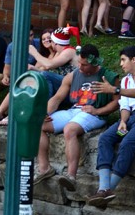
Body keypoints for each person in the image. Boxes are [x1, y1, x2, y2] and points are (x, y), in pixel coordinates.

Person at [33, 44, 120, 190]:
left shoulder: (108, 77)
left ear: (95, 63)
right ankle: (44, 168)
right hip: (74, 110)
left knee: (70, 129)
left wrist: (98, 111)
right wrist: (45, 113)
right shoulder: (72, 76)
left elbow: (117, 102)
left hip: (94, 113)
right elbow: (57, 98)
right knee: (38, 125)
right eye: (79, 62)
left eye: (84, 64)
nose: (80, 67)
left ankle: (71, 177)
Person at [86, 45, 135, 208]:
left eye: (123, 60)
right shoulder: (126, 80)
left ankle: (109, 190)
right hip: (131, 118)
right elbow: (125, 106)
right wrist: (123, 121)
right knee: (106, 138)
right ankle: (103, 189)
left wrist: (114, 90)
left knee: (127, 143)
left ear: (134, 59)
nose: (121, 64)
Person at [0, 26, 79, 126]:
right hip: (61, 89)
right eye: (44, 39)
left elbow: (48, 66)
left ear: (55, 42)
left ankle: (37, 110)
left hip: (72, 91)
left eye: (50, 39)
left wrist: (34, 52)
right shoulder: (58, 52)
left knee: (42, 77)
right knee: (27, 81)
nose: (47, 41)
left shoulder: (69, 51)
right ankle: (6, 113)